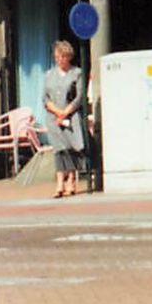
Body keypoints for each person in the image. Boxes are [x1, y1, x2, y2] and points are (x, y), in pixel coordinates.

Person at [43, 40, 87, 198]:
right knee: (58, 150)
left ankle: (72, 180)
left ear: (68, 56)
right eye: (56, 57)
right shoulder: (49, 75)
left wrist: (66, 112)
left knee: (71, 148)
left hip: (70, 116)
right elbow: (45, 98)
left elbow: (79, 96)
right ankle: (60, 182)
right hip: (54, 118)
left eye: (62, 57)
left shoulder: (77, 73)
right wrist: (57, 112)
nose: (58, 60)